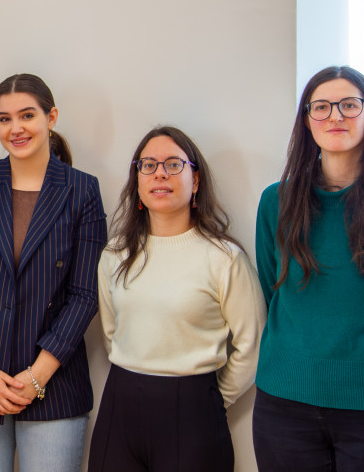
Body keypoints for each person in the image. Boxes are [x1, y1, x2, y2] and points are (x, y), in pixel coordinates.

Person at [0, 73, 107, 472]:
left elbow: (85, 294)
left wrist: (37, 376)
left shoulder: (82, 191)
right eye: (3, 118)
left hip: (56, 385)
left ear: (51, 118)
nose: (15, 128)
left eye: (26, 115)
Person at [252, 65, 364, 471]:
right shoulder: (277, 202)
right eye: (321, 107)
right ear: (307, 121)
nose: (335, 116)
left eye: (348, 105)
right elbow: (274, 288)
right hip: (285, 406)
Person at [88, 126, 265, 471]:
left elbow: (253, 344)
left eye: (173, 164)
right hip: (120, 406)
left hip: (194, 413)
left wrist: (211, 400)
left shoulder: (224, 258)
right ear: (137, 180)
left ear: (195, 180)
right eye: (148, 165)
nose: (160, 174)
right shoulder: (115, 254)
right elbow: (112, 334)